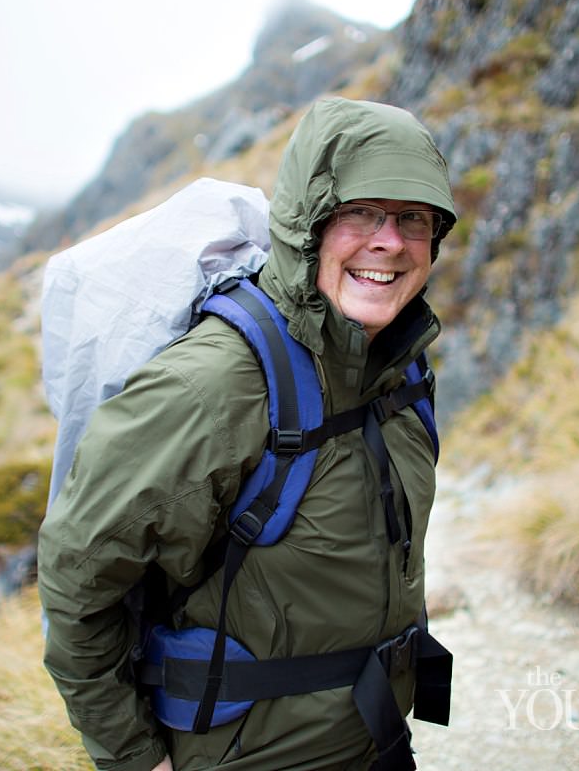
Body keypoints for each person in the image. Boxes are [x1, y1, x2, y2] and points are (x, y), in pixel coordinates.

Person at [38, 96, 456, 771]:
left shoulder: (399, 366)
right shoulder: (211, 387)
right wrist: (133, 757)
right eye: (361, 212)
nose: (390, 241)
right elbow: (78, 576)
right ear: (306, 224)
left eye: (414, 219)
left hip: (376, 739)